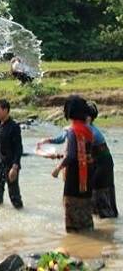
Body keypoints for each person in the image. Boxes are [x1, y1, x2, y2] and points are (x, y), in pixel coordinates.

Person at [39, 102, 117, 219]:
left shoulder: (90, 131)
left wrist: (59, 166)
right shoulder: (81, 129)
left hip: (102, 165)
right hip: (97, 163)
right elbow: (65, 138)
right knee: (97, 196)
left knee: (100, 194)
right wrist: (48, 140)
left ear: (88, 118)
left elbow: (72, 149)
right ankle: (105, 224)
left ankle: (106, 225)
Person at [51, 95, 95, 232]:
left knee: (72, 213)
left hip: (74, 176)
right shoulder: (88, 129)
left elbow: (70, 156)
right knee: (85, 211)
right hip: (87, 175)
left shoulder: (72, 131)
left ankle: (76, 245)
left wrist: (58, 168)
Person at [0, 99, 23, 209]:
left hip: (11, 166)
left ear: (5, 110)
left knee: (14, 196)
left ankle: (21, 215)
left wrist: (15, 167)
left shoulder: (14, 127)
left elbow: (19, 148)